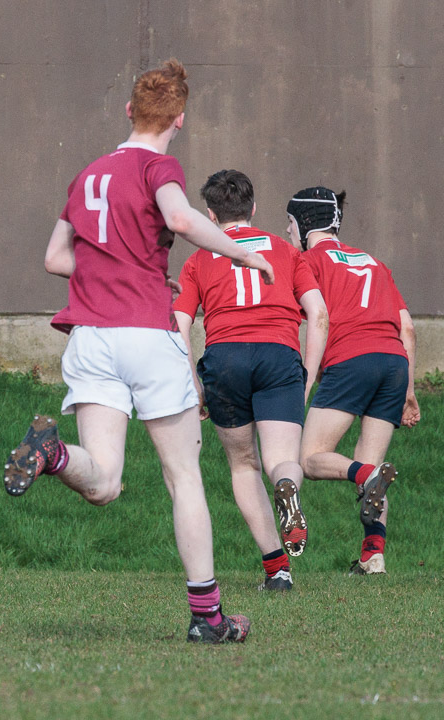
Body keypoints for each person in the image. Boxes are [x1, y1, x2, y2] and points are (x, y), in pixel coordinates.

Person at [4, 59, 274, 643]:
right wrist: (244, 255)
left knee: (102, 482)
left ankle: (50, 456)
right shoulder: (160, 164)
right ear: (179, 118)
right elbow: (179, 217)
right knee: (184, 478)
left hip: (91, 339)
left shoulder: (87, 174)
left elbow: (55, 259)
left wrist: (126, 273)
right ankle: (207, 620)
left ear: (129, 110)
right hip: (146, 337)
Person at [172, 170, 329, 592]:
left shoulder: (198, 259)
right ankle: (286, 487)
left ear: (210, 213)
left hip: (225, 358)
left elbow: (179, 325)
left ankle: (277, 571)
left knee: (243, 464)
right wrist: (307, 377)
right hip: (279, 355)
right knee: (282, 459)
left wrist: (195, 383)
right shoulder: (285, 250)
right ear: (253, 209)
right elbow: (317, 315)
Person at [287, 186, 419, 575]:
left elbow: (315, 318)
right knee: (369, 460)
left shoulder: (307, 261)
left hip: (351, 359)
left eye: (289, 224)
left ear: (305, 224)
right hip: (394, 361)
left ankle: (368, 476)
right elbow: (407, 328)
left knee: (310, 459)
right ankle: (372, 555)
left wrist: (305, 382)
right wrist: (409, 390)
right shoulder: (374, 262)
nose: (288, 233)